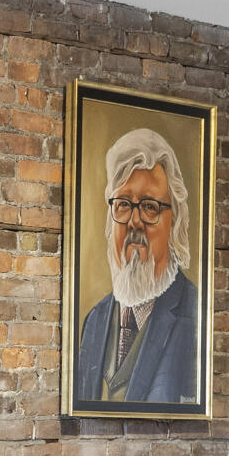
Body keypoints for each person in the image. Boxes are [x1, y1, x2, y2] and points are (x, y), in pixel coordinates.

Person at [71, 127, 201, 407]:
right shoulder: (94, 321)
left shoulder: (194, 316)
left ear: (174, 222)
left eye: (150, 207)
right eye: (123, 204)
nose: (134, 222)